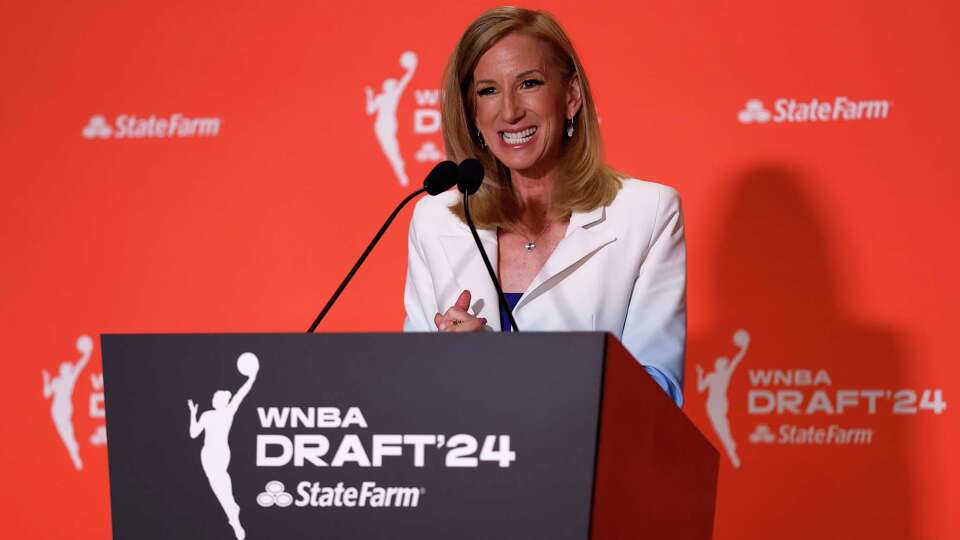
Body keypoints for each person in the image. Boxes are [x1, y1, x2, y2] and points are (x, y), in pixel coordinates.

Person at [402, 7, 686, 406]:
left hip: (580, 464)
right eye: (488, 91)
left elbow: (658, 392)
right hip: (466, 459)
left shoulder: (648, 213)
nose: (510, 111)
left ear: (570, 97)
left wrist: (504, 364)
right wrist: (443, 361)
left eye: (529, 83)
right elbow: (412, 386)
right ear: (471, 113)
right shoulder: (435, 218)